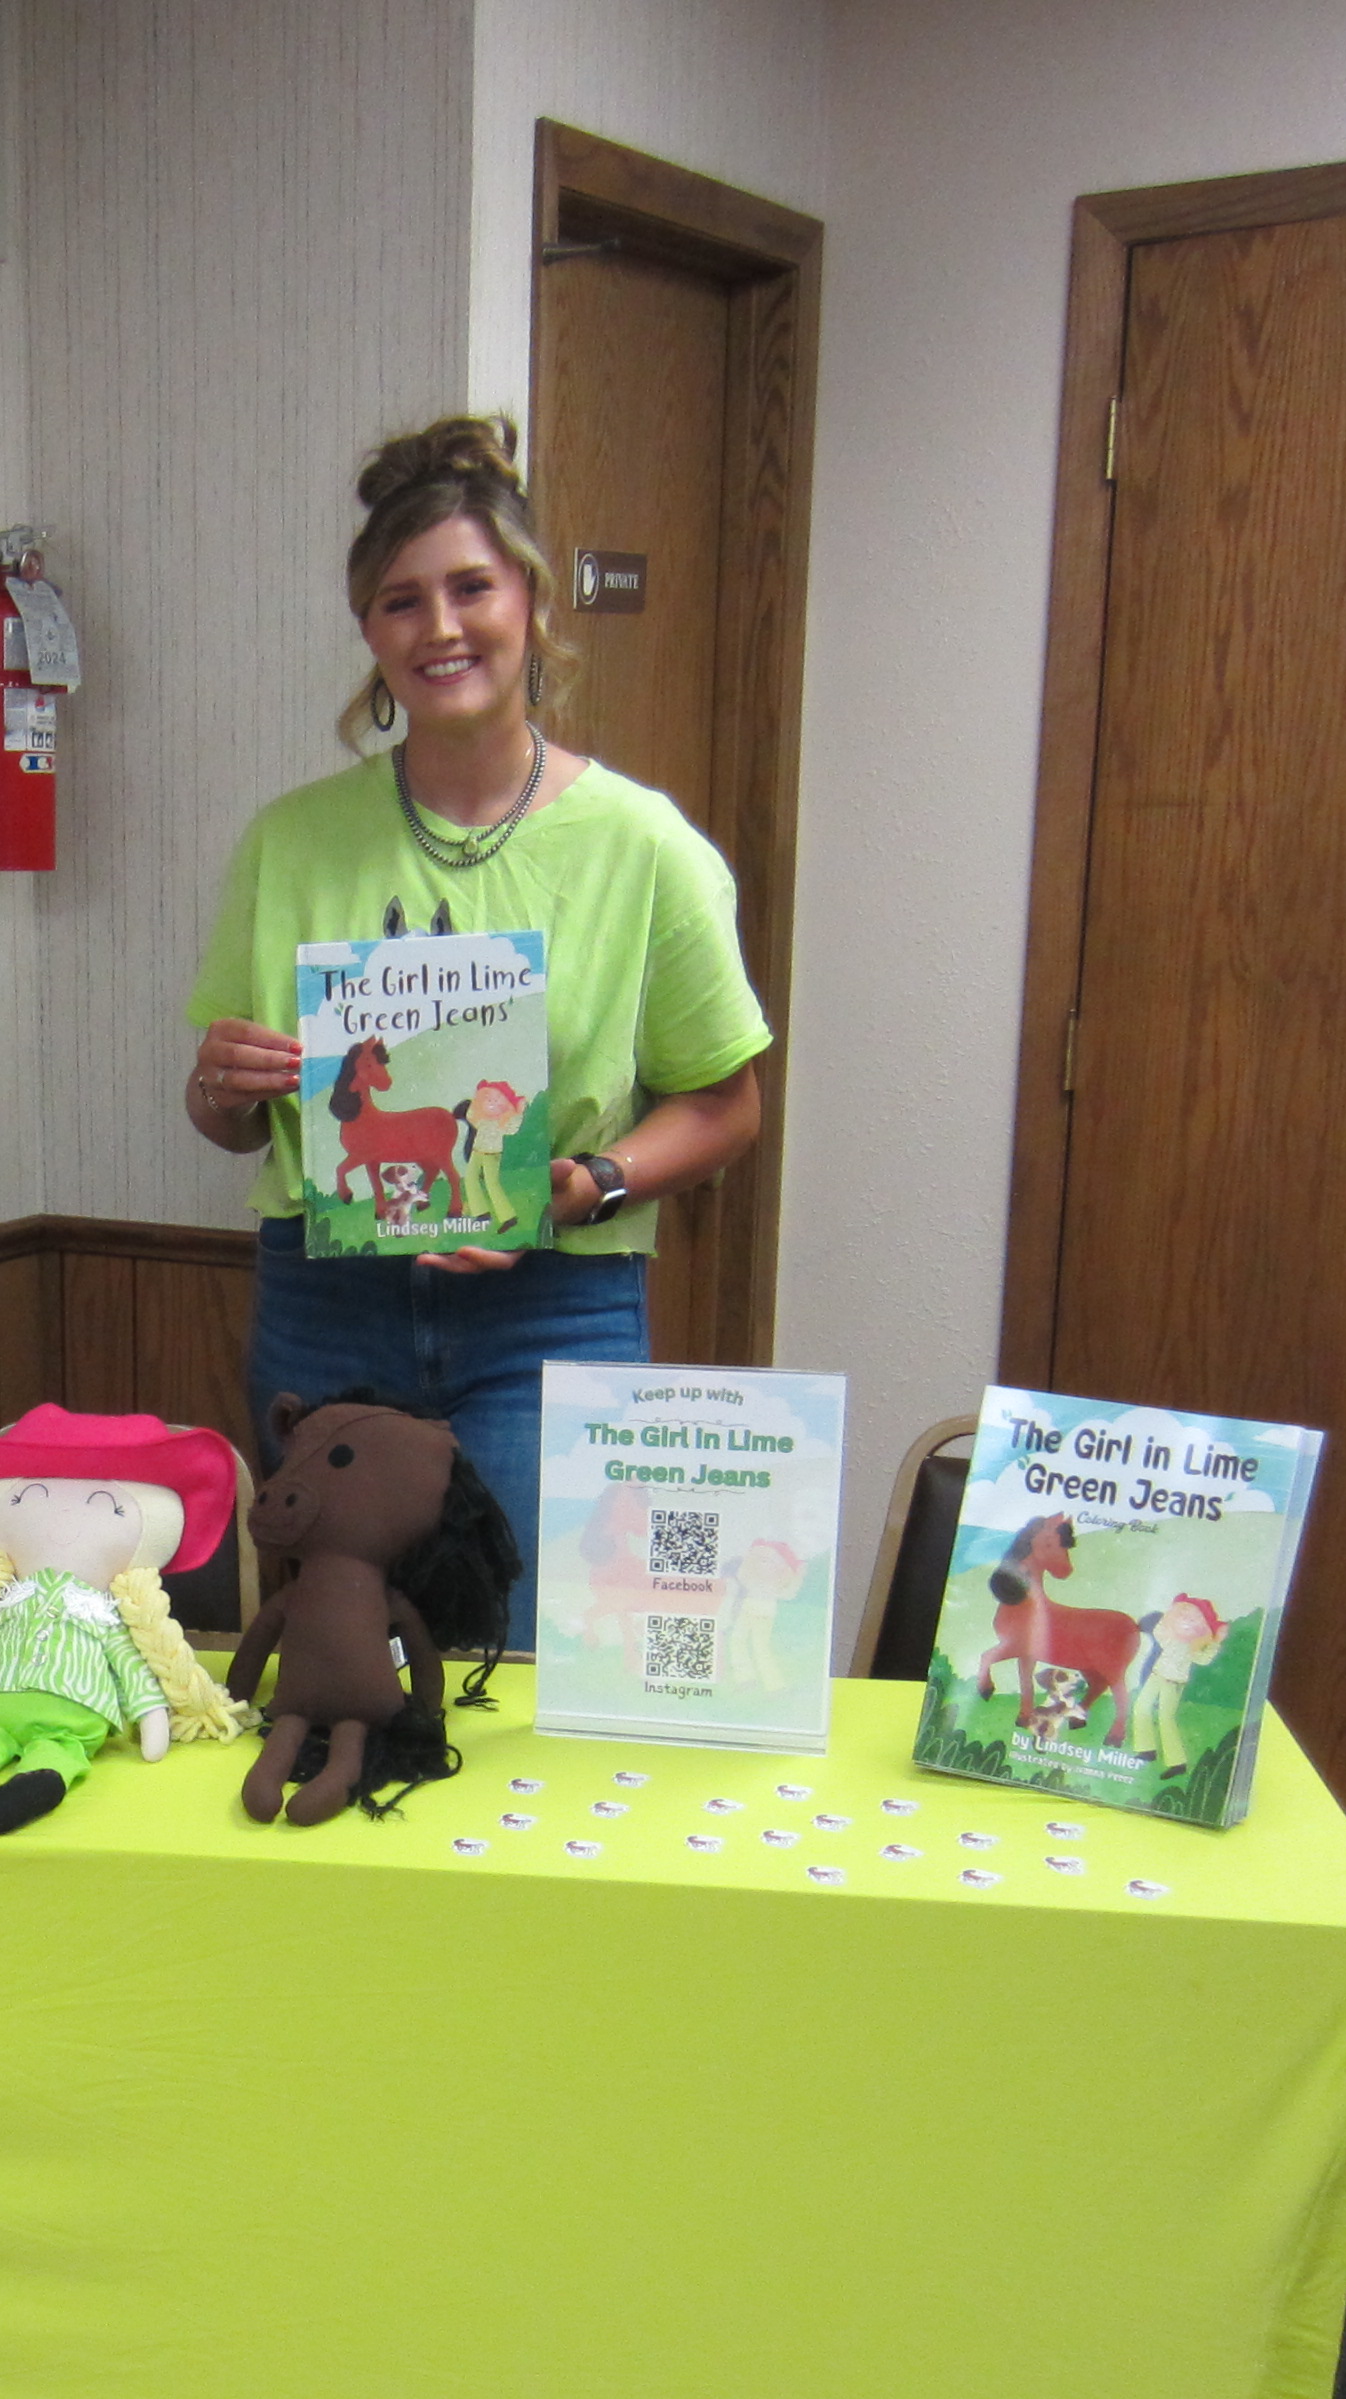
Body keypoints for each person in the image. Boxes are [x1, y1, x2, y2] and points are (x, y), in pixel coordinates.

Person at [182, 414, 771, 1647]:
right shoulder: (289, 843)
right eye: (401, 601)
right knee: (340, 1652)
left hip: (552, 1303)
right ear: (367, 631)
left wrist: (591, 1182)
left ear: (532, 602)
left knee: (532, 1658)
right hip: (328, 1300)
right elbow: (229, 1124)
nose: (438, 628)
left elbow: (726, 1104)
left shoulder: (643, 846)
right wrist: (221, 1088)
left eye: (470, 588)